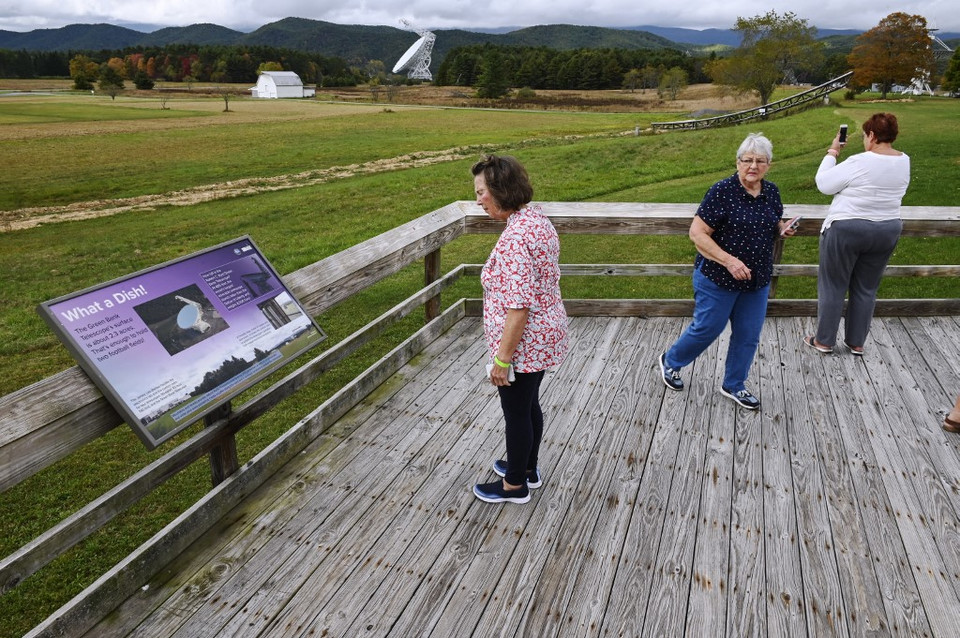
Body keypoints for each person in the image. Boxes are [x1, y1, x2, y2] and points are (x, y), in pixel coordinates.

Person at [658, 133, 795, 410]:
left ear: (768, 165)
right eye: (747, 160)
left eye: (760, 161)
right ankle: (670, 361)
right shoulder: (721, 192)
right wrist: (729, 261)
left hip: (755, 280)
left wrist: (782, 228)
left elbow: (773, 220)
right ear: (737, 162)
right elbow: (697, 234)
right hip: (718, 278)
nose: (753, 166)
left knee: (748, 335)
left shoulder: (772, 192)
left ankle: (734, 385)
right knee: (707, 328)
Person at [471, 154, 569, 504]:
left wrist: (502, 360)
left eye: (481, 192)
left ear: (500, 191)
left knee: (516, 414)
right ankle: (527, 467)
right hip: (545, 335)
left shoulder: (515, 239)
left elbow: (518, 307)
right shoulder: (536, 219)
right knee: (528, 406)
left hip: (524, 342)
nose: (478, 199)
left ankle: (514, 485)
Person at [804, 113, 910, 355]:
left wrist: (833, 152)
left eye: (865, 135)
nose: (864, 140)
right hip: (887, 230)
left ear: (872, 135)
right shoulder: (905, 160)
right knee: (866, 287)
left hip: (848, 229)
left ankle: (824, 341)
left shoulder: (859, 161)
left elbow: (824, 184)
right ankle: (856, 342)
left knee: (834, 285)